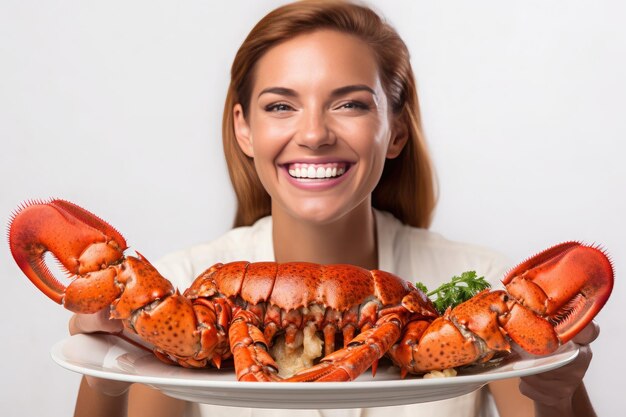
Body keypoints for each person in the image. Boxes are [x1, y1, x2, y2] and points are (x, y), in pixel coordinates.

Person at [69, 1, 600, 416]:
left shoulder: (480, 286)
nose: (316, 134)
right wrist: (106, 372)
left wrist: (554, 394)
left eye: (350, 104)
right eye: (280, 106)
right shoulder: (178, 287)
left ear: (394, 131)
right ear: (244, 130)